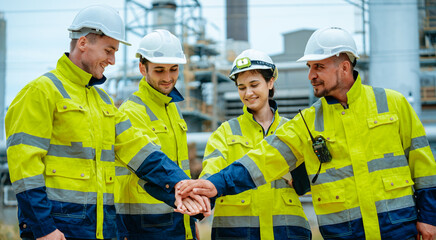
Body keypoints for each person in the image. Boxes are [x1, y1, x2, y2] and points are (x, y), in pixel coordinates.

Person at [176, 27, 436, 240]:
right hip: (344, 232)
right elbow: (263, 159)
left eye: (318, 67)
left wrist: (429, 217)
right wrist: (212, 184)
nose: (310, 75)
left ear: (344, 67)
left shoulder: (394, 104)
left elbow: (424, 167)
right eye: (310, 67)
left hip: (398, 227)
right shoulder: (307, 123)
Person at [5, 5, 205, 240]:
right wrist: (43, 228)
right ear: (83, 43)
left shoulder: (103, 101)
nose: (112, 60)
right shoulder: (42, 92)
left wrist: (184, 186)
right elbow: (25, 168)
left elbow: (140, 151)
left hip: (102, 228)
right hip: (60, 228)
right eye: (108, 50)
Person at [198, 49, 312, 239]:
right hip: (237, 234)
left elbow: (311, 179)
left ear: (270, 82)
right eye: (242, 87)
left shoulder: (292, 130)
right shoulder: (225, 133)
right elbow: (211, 171)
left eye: (254, 84)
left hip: (287, 232)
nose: (248, 93)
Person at [115, 29, 197, 240]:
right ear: (143, 68)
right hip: (146, 224)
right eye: (159, 70)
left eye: (174, 69)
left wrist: (190, 222)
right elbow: (151, 166)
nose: (168, 78)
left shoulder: (172, 108)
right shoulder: (131, 112)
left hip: (178, 215)